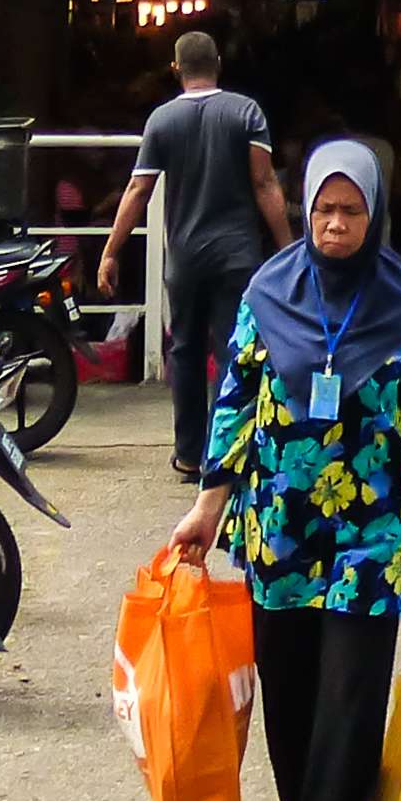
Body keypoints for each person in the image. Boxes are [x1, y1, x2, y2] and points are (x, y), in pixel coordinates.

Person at [166, 138, 401, 801]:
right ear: (304, 210)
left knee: (353, 700)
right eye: (323, 209)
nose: (334, 223)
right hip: (281, 524)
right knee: (290, 695)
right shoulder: (269, 291)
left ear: (374, 214)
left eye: (351, 210)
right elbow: (236, 399)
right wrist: (208, 506)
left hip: (376, 528)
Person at [101, 31, 290, 481]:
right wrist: (288, 248)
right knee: (234, 350)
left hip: (184, 259)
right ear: (219, 63)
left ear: (176, 68)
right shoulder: (246, 112)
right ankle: (231, 450)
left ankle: (189, 453)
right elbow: (265, 184)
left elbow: (138, 189)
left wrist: (111, 251)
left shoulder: (162, 120)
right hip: (238, 256)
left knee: (184, 351)